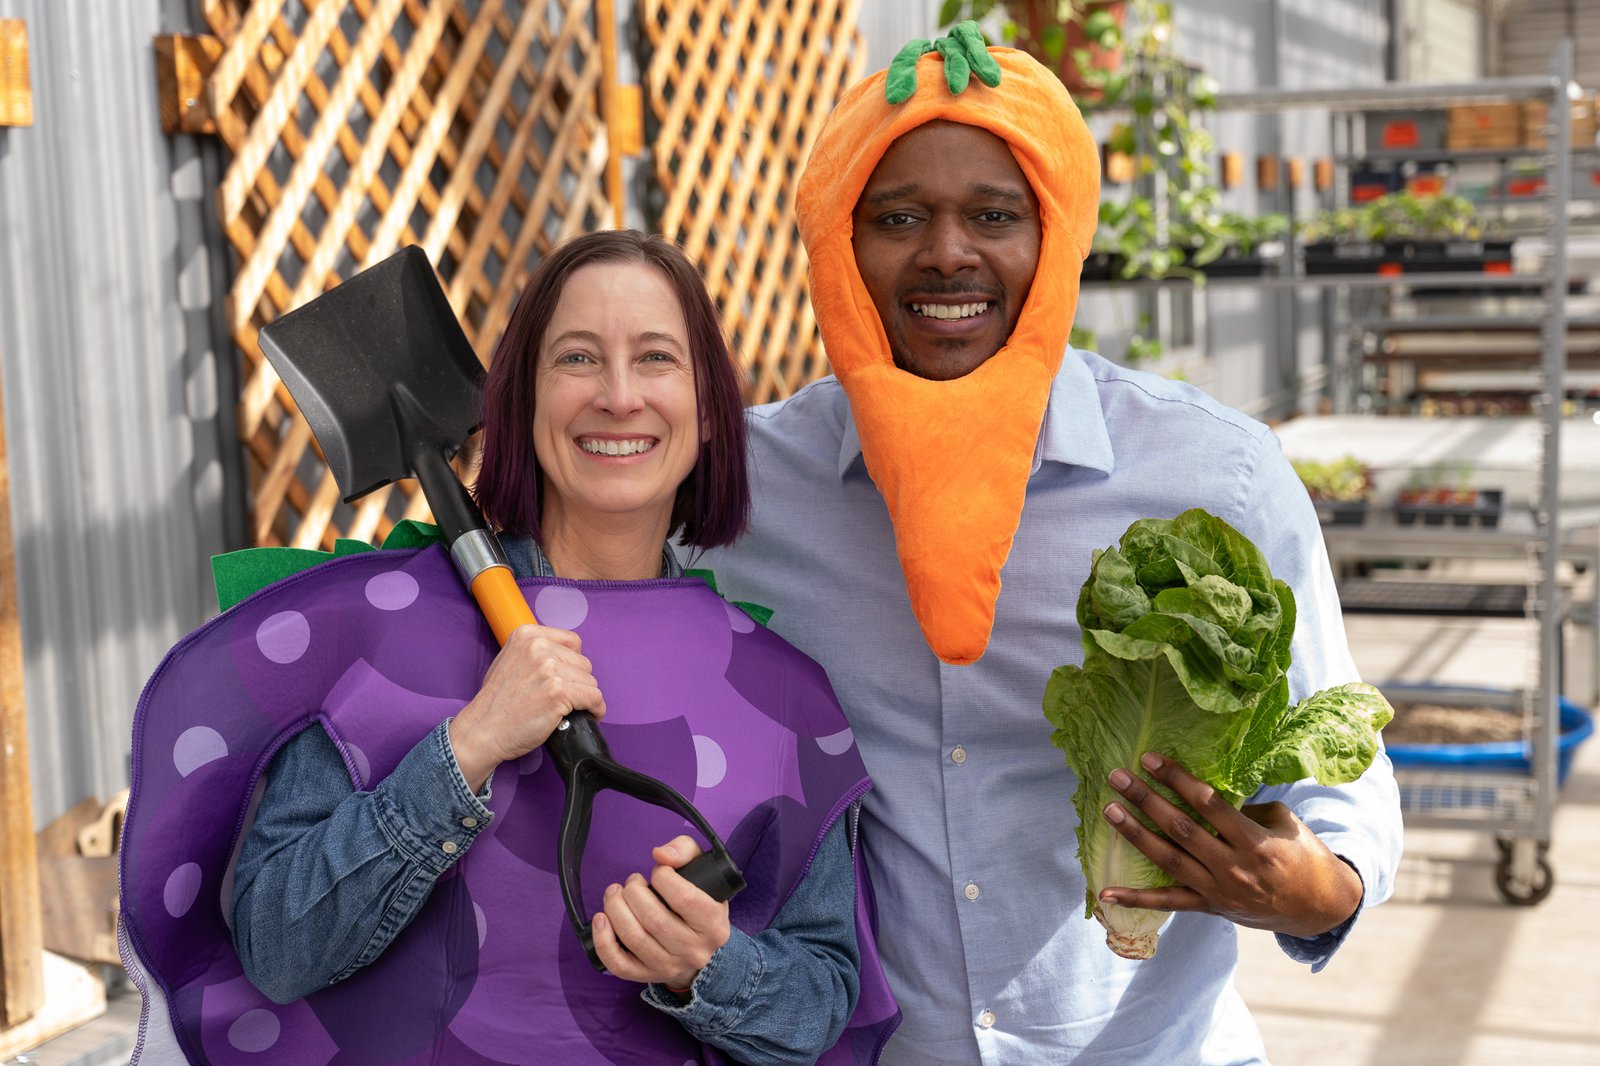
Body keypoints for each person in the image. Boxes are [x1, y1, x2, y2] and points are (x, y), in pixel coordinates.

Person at [695, 31, 1404, 1065]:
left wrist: (1307, 889)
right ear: (837, 246)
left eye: (994, 213)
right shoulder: (740, 491)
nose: (946, 252)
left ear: (1059, 230)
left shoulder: (1216, 476)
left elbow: (1341, 776)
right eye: (896, 217)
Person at [117, 231, 897, 1065]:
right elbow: (277, 949)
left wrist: (710, 967)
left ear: (709, 411)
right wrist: (465, 747)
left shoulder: (781, 697)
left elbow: (821, 1006)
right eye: (578, 359)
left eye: (657, 358)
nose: (620, 396)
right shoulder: (381, 639)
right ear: (520, 404)